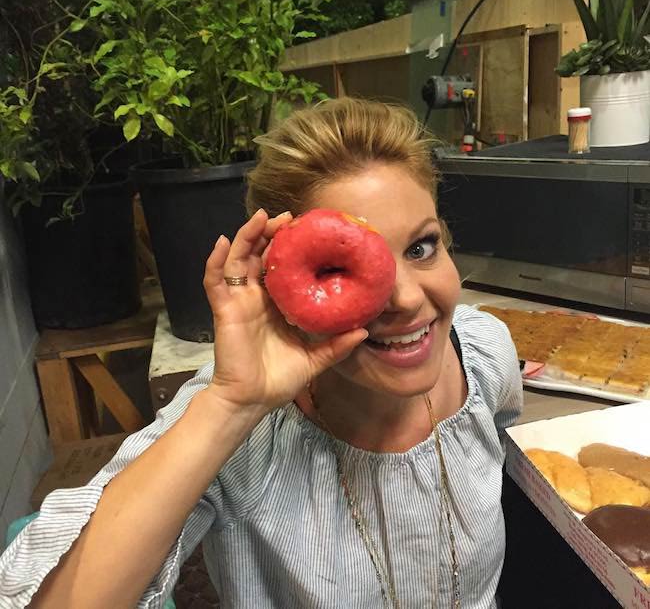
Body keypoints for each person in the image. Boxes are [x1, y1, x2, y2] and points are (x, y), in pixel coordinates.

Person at [0, 97, 522, 608]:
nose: (407, 300)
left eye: (421, 248)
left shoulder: (483, 355)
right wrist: (232, 405)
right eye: (340, 269)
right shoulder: (240, 429)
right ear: (281, 285)